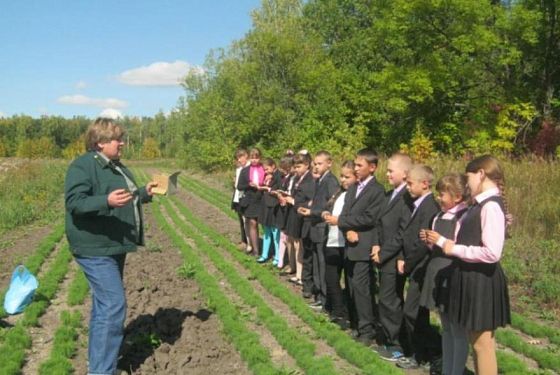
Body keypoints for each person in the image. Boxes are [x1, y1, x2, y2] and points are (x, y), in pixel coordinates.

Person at [64, 117, 157, 375]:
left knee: (104, 306)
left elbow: (122, 198)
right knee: (114, 305)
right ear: (101, 141)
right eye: (118, 139)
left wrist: (143, 192)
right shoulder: (83, 166)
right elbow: (75, 203)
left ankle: (97, 364)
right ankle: (102, 371)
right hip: (93, 248)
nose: (123, 143)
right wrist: (104, 200)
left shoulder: (115, 166)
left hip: (112, 245)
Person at [425, 155, 511, 375]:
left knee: (483, 346)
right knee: (479, 344)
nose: (468, 184)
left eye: (469, 178)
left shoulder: (490, 206)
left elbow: (492, 253)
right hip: (473, 278)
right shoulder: (481, 205)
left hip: (482, 280)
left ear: (481, 174)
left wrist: (451, 247)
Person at [419, 173, 469, 375]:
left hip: (452, 273)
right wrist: (429, 242)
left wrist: (439, 240)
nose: (439, 198)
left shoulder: (463, 217)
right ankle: (447, 368)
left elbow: (459, 247)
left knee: (457, 329)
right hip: (437, 270)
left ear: (456, 197)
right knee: (445, 326)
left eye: (442, 194)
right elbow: (437, 247)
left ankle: (456, 370)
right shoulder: (439, 216)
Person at [394, 165, 442, 370]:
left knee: (413, 312)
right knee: (416, 313)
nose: (407, 187)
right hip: (414, 265)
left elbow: (423, 242)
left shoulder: (430, 207)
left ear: (425, 183)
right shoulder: (417, 203)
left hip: (422, 266)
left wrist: (408, 261)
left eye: (410, 183)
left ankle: (427, 352)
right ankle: (421, 353)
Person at [336, 149, 385, 346]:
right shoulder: (354, 188)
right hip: (350, 244)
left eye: (359, 165)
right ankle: (356, 323)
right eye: (354, 165)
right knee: (351, 286)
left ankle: (368, 329)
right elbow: (345, 213)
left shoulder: (377, 191)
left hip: (363, 246)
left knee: (363, 289)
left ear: (372, 168)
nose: (355, 169)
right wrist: (347, 229)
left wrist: (347, 223)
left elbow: (370, 218)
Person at [371, 153, 414, 361]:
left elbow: (402, 232)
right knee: (387, 298)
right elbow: (381, 224)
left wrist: (384, 253)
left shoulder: (407, 199)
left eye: (390, 171)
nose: (386, 174)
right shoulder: (390, 195)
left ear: (405, 174)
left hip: (393, 256)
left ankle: (396, 344)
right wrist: (377, 244)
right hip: (383, 252)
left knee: (390, 300)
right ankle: (390, 338)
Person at [298, 151, 339, 308]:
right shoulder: (320, 180)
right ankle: (319, 296)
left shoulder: (330, 181)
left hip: (322, 228)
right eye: (315, 163)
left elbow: (330, 207)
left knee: (322, 266)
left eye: (319, 163)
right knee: (316, 264)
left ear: (329, 163)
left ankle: (325, 299)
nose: (316, 166)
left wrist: (312, 211)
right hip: (315, 227)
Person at [322, 160, 357, 329]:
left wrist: (339, 221)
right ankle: (337, 310)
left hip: (346, 242)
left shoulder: (355, 195)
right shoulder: (339, 193)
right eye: (341, 176)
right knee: (331, 277)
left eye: (347, 177)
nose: (343, 180)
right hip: (333, 239)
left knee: (348, 280)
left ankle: (348, 313)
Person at [284, 152, 315, 288]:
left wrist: (293, 200)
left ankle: (301, 275)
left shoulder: (309, 179)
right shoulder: (299, 178)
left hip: (301, 215)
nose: (296, 169)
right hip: (294, 213)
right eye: (295, 167)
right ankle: (298, 272)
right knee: (295, 243)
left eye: (298, 166)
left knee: (299, 244)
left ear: (307, 165)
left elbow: (308, 200)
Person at [237, 148, 265, 257]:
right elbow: (239, 186)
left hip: (262, 198)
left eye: (256, 158)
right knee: (253, 223)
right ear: (249, 158)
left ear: (260, 158)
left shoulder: (263, 168)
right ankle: (256, 250)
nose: (254, 160)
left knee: (265, 225)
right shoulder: (245, 171)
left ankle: (268, 249)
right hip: (251, 200)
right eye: (252, 158)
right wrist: (249, 184)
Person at [257, 158, 282, 263]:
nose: (265, 171)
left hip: (273, 206)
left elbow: (277, 190)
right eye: (264, 170)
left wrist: (267, 188)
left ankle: (277, 256)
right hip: (265, 206)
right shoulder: (267, 176)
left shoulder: (279, 176)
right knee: (266, 231)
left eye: (267, 169)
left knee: (275, 232)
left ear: (273, 166)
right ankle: (264, 254)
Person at [231, 149, 251, 252]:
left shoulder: (250, 168)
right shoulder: (238, 169)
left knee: (247, 221)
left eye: (240, 157)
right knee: (241, 221)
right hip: (237, 197)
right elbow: (236, 186)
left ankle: (250, 243)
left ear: (246, 156)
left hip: (246, 198)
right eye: (237, 158)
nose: (239, 160)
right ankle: (244, 241)